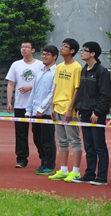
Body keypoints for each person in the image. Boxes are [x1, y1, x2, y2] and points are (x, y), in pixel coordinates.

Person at [71, 42, 111, 185]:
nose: (81, 53)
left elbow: (105, 95)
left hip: (96, 115)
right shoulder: (83, 70)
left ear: (92, 54)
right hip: (85, 112)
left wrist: (98, 112)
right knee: (89, 145)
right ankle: (89, 174)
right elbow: (82, 92)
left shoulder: (102, 71)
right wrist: (79, 109)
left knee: (99, 145)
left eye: (84, 50)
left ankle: (101, 177)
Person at [49, 38, 83, 183]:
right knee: (61, 141)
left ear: (72, 51)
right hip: (57, 107)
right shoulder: (59, 67)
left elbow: (77, 89)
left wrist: (70, 109)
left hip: (69, 109)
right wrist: (52, 106)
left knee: (74, 140)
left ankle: (75, 171)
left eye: (65, 46)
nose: (61, 48)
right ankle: (63, 170)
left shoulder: (77, 68)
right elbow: (56, 86)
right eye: (61, 45)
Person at [5, 40, 44, 168]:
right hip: (20, 104)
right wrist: (9, 101)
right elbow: (11, 84)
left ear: (33, 50)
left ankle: (44, 157)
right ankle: (21, 159)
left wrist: (30, 87)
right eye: (22, 47)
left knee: (38, 133)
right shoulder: (16, 65)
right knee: (20, 133)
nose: (24, 49)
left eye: (27, 47)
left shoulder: (40, 65)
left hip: (36, 105)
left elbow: (44, 83)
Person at [24, 45, 58, 176]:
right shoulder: (40, 71)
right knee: (37, 138)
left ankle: (49, 165)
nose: (44, 56)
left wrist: (42, 108)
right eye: (43, 54)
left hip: (47, 112)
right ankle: (43, 162)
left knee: (47, 139)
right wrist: (29, 109)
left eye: (47, 54)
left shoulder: (56, 72)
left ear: (54, 56)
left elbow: (52, 93)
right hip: (35, 112)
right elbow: (34, 92)